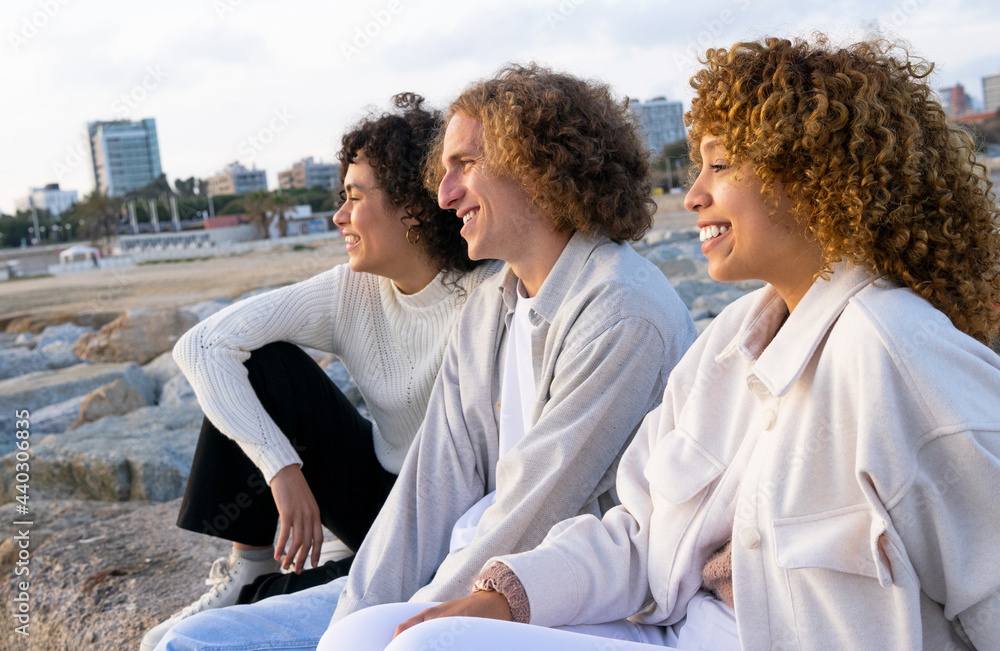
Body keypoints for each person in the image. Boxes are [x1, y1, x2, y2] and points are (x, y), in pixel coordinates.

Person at [327, 35, 1000, 650]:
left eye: (720, 165)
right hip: (667, 631)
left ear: (812, 176)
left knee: (426, 647)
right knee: (368, 634)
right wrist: (504, 597)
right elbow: (638, 534)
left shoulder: (898, 354)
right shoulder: (733, 341)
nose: (693, 194)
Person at [155, 63, 696, 650]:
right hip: (454, 572)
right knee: (191, 642)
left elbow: (538, 506)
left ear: (537, 166)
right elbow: (428, 487)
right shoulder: (494, 301)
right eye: (443, 171)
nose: (444, 194)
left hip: (565, 595)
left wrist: (409, 620)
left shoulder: (621, 312)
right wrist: (360, 612)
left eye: (464, 165)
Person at [140, 93, 501, 650]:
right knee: (265, 361)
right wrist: (282, 470)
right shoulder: (350, 289)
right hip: (373, 497)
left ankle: (304, 585)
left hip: (450, 520)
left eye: (354, 198)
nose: (338, 217)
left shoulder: (488, 291)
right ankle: (249, 571)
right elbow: (203, 344)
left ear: (411, 205)